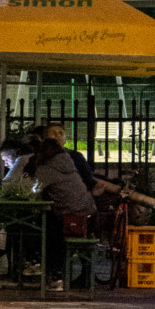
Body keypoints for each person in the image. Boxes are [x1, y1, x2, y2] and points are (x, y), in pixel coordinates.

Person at [30, 123, 92, 292]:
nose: (58, 137)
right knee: (48, 225)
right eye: (53, 134)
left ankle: (41, 265)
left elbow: (34, 188)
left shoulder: (47, 165)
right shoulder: (68, 160)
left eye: (60, 134)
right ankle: (51, 271)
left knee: (43, 226)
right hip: (86, 210)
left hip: (67, 214)